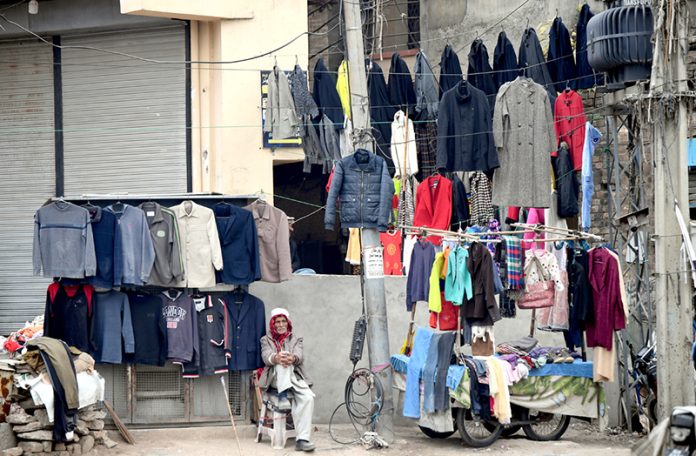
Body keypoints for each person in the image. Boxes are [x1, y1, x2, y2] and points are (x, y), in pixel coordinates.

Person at [258, 308, 315, 452]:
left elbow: (299, 356)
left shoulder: (296, 339)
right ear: (273, 324)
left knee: (308, 398)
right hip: (274, 380)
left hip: (294, 380)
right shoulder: (265, 340)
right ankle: (282, 395)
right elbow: (266, 356)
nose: (281, 324)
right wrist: (276, 357)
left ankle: (302, 440)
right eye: (277, 322)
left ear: (288, 323)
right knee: (281, 359)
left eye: (283, 321)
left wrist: (293, 358)